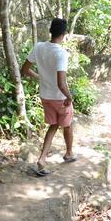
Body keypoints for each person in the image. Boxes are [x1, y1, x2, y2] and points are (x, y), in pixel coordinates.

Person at [21, 17, 75, 177]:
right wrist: (69, 97)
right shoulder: (61, 53)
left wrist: (40, 77)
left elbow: (25, 69)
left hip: (45, 96)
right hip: (59, 97)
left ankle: (42, 159)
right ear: (64, 34)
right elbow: (61, 83)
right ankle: (69, 153)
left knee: (53, 126)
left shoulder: (38, 47)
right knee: (67, 124)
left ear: (51, 31)